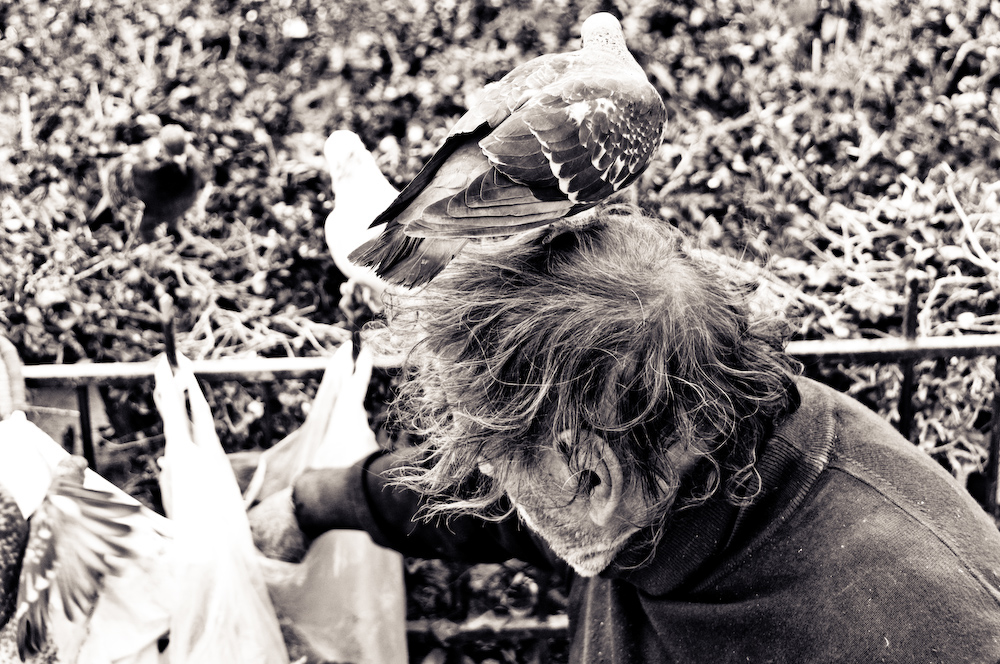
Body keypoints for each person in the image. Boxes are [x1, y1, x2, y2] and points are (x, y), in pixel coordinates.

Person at [289, 206, 1000, 662]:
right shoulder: (681, 438)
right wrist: (315, 502)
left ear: (590, 476)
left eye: (497, 456)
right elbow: (498, 511)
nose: (492, 478)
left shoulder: (928, 635)